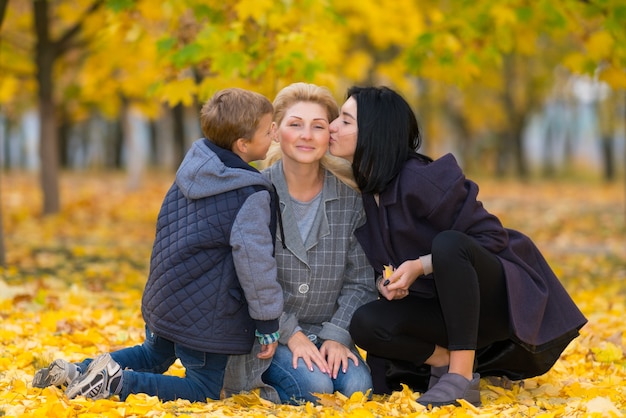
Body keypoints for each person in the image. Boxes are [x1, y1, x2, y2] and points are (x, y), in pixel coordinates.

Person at [328, 86, 587, 408]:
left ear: (374, 132)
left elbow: (491, 238)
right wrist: (390, 283)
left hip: (495, 303)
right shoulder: (370, 192)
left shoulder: (421, 178)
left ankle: (462, 377)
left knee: (449, 243)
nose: (332, 126)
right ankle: (445, 362)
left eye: (345, 120)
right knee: (366, 321)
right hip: (445, 311)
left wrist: (421, 265)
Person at [32, 88, 285, 402]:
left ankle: (76, 371)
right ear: (243, 144)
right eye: (268, 129)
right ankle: (115, 385)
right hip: (208, 313)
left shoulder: (191, 171)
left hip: (166, 299)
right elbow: (254, 262)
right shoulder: (250, 193)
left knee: (152, 356)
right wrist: (267, 321)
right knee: (202, 389)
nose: (275, 132)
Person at [222, 82, 377, 405]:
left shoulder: (351, 201)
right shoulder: (254, 193)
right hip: (268, 334)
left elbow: (360, 281)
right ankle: (260, 387)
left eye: (318, 126)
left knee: (358, 389)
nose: (307, 135)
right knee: (314, 387)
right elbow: (246, 278)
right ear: (277, 132)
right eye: (296, 125)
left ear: (329, 135)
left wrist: (338, 335)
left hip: (326, 328)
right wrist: (290, 333)